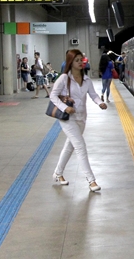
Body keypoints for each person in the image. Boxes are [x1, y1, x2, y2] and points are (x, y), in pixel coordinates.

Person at [51, 49, 107, 192]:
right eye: (77, 60)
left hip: (82, 117)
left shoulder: (87, 80)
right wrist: (64, 108)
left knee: (70, 146)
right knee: (80, 146)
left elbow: (93, 94)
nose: (80, 63)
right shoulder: (64, 78)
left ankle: (58, 173)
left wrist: (99, 102)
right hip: (67, 118)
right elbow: (53, 96)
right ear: (70, 62)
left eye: (82, 60)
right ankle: (91, 180)